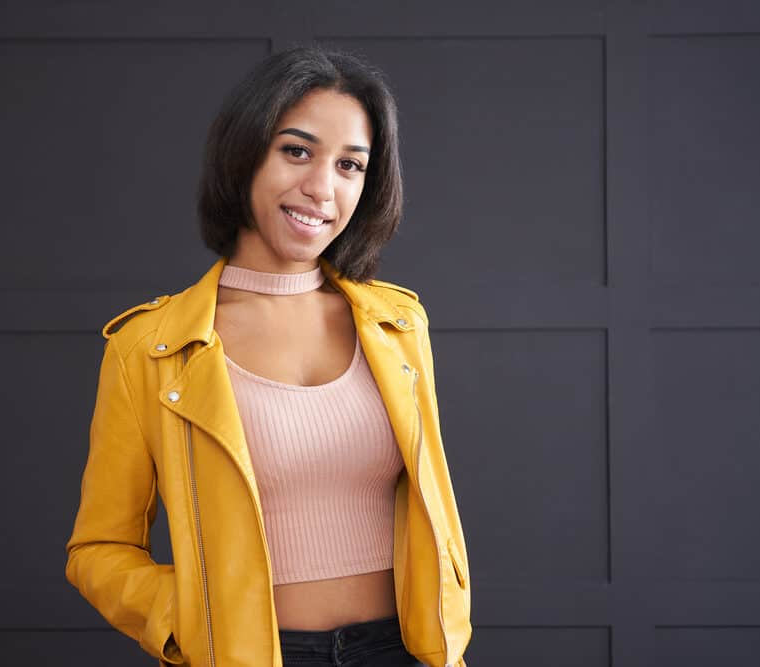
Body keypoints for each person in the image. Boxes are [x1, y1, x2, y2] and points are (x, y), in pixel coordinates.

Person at [65, 46, 471, 667]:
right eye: (297, 151)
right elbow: (98, 547)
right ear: (245, 153)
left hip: (403, 651)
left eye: (350, 165)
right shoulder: (149, 349)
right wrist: (196, 619)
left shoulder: (398, 326)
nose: (321, 187)